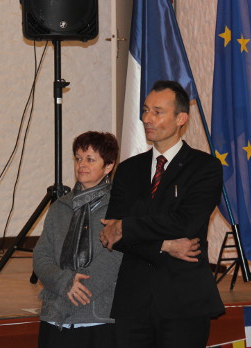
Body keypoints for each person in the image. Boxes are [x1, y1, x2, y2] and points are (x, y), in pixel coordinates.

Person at [99, 80, 225, 348]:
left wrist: (128, 225)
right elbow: (113, 233)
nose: (147, 118)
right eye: (145, 110)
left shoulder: (205, 167)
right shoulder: (129, 168)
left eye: (158, 112)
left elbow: (186, 222)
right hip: (133, 302)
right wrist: (164, 244)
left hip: (183, 301)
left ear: (181, 118)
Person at [33, 131, 122, 348]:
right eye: (78, 158)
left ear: (108, 166)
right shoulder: (59, 207)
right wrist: (64, 283)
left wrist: (70, 297)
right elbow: (41, 256)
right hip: (54, 317)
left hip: (95, 319)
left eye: (90, 159)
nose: (81, 164)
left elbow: (112, 262)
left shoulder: (118, 207)